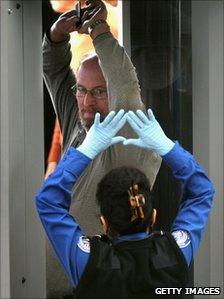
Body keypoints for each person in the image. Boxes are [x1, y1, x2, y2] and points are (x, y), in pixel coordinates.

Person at [43, 1, 161, 296]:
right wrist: (57, 35)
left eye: (98, 92)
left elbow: (125, 88)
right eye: (82, 90)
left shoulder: (129, 140)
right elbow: (55, 71)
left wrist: (99, 29)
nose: (86, 102)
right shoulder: (80, 124)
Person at [36, 109, 215, 299]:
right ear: (153, 216)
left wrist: (86, 150)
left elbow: (48, 202)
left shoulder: (89, 261)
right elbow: (202, 191)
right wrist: (167, 147)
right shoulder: (173, 253)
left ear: (104, 223)